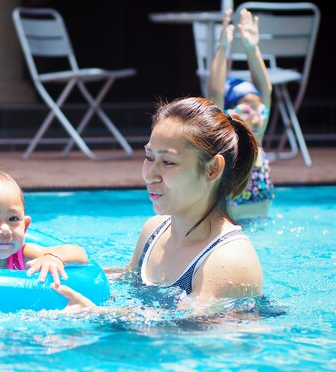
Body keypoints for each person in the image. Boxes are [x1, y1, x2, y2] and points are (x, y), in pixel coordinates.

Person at [54, 97, 263, 313]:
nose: (150, 175)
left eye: (168, 162)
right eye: (149, 156)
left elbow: (189, 328)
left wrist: (99, 314)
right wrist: (56, 259)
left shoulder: (227, 260)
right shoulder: (154, 231)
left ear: (212, 170)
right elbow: (121, 279)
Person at [208, 8, 273, 219]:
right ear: (229, 114)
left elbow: (265, 90)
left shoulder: (257, 141)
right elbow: (215, 93)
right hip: (231, 230)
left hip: (262, 227)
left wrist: (252, 48)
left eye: (258, 109)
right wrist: (222, 47)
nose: (255, 116)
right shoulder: (229, 145)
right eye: (246, 109)